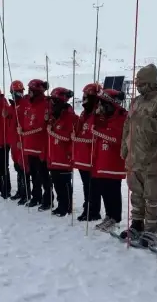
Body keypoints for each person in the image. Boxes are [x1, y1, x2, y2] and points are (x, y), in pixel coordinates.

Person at [119, 63, 157, 246]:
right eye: (137, 83)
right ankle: (137, 224)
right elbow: (128, 125)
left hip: (153, 158)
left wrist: (143, 120)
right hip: (134, 157)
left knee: (151, 196)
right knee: (136, 193)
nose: (138, 87)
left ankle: (151, 229)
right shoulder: (136, 101)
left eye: (141, 84)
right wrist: (124, 146)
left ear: (151, 83)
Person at [91, 89, 128, 233]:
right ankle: (109, 215)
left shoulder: (121, 117)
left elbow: (117, 139)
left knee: (113, 189)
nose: (100, 106)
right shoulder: (105, 117)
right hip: (102, 159)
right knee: (104, 189)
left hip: (114, 162)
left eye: (102, 103)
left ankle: (115, 217)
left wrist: (98, 131)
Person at [18, 79, 52, 209]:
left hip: (40, 146)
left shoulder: (46, 104)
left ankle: (48, 199)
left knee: (43, 174)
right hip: (29, 145)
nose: (28, 93)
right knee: (33, 174)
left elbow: (42, 125)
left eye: (30, 91)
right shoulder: (29, 104)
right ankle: (36, 196)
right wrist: (22, 130)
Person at [72, 83, 102, 221]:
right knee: (86, 184)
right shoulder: (85, 113)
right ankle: (87, 207)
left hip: (93, 155)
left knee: (93, 185)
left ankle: (93, 210)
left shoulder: (99, 113)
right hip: (83, 154)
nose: (84, 99)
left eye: (86, 97)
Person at [46, 87, 77, 216]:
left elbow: (69, 137)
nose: (51, 104)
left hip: (64, 156)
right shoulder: (54, 117)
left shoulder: (71, 118)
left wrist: (53, 132)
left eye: (53, 101)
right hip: (54, 156)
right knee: (57, 183)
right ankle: (61, 204)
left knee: (64, 184)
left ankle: (66, 206)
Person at [9, 80, 31, 204]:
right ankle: (20, 191)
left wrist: (22, 140)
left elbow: (24, 125)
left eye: (18, 92)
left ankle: (26, 193)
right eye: (14, 92)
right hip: (13, 141)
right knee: (18, 167)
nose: (16, 94)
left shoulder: (24, 105)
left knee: (24, 168)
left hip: (21, 141)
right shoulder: (13, 106)